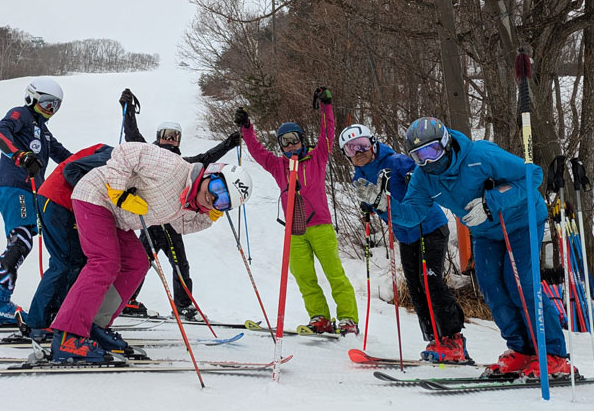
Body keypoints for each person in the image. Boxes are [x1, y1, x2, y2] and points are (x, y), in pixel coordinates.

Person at [374, 116, 574, 378]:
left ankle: (553, 354)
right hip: (485, 232)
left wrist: (491, 201)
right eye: (419, 156)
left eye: (432, 151)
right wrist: (384, 206)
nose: (428, 161)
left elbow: (532, 175)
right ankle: (522, 349)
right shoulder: (424, 178)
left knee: (521, 283)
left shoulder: (480, 155)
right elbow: (413, 214)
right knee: (491, 287)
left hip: (521, 220)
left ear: (446, 143)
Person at [48, 143, 253, 363]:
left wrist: (207, 217)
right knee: (105, 261)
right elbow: (126, 152)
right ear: (210, 174)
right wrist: (118, 191)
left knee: (137, 262)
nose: (214, 198)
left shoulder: (187, 201)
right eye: (217, 188)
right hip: (96, 196)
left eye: (223, 202)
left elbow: (181, 225)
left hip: (115, 217)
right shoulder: (174, 168)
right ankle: (68, 337)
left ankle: (95, 325)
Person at [339, 123, 469, 362]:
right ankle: (434, 339)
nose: (358, 152)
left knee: (430, 280)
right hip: (405, 234)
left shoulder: (396, 161)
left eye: (362, 145)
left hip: (429, 226)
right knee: (415, 287)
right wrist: (368, 206)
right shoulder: (359, 176)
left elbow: (422, 177)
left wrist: (411, 177)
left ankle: (453, 338)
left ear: (373, 143)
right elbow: (378, 204)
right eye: (350, 149)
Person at [236, 87, 359, 335]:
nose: (291, 145)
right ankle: (320, 317)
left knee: (334, 274)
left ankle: (348, 319)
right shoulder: (278, 166)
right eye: (285, 142)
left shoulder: (317, 157)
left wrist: (326, 106)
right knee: (304, 276)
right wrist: (246, 128)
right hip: (295, 230)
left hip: (321, 227)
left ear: (302, 139)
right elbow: (257, 151)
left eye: (294, 139)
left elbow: (328, 133)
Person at [118, 87, 241, 320]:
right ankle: (126, 301)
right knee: (140, 262)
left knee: (180, 265)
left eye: (174, 136)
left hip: (171, 223)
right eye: (166, 135)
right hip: (150, 221)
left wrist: (229, 143)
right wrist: (128, 110)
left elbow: (206, 158)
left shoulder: (184, 164)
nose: (170, 140)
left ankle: (183, 306)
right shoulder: (149, 155)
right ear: (158, 136)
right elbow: (132, 137)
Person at [0, 77, 72, 324]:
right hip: (15, 185)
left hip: (27, 190)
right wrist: (20, 156)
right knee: (22, 241)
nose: (51, 110)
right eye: (47, 103)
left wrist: (91, 165)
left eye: (56, 106)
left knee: (18, 242)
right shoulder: (21, 114)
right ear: (32, 98)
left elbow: (64, 156)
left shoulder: (43, 131)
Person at [22, 143, 113, 335]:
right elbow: (72, 169)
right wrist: (93, 196)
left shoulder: (112, 157)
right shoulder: (113, 157)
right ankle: (39, 322)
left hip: (58, 201)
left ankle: (54, 316)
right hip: (58, 200)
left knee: (75, 261)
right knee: (65, 262)